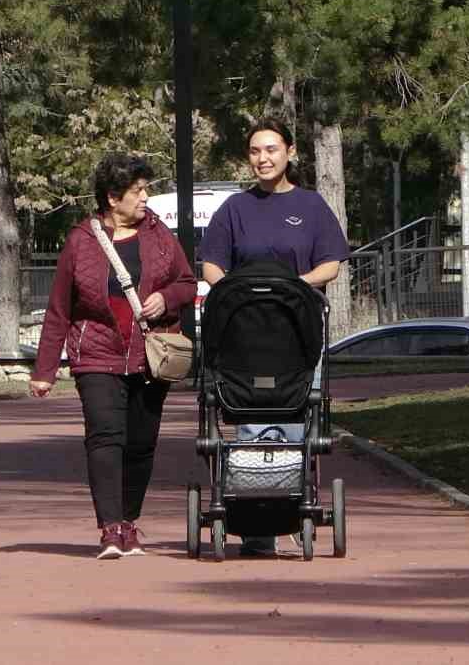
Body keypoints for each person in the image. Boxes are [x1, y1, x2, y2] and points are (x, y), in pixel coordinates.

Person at [29, 154, 198, 559]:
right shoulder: (80, 242)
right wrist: (45, 370)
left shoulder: (159, 235)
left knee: (141, 443)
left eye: (146, 188)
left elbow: (188, 283)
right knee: (105, 437)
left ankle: (129, 523)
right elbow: (59, 310)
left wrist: (166, 297)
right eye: (137, 190)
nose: (145, 197)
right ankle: (110, 529)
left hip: (149, 354)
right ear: (112, 197)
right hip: (96, 355)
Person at [198, 116, 349, 556]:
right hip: (247, 335)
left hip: (297, 329)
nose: (262, 158)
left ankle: (296, 503)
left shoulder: (312, 206)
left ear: (290, 152)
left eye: (271, 150)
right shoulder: (234, 210)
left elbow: (331, 265)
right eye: (255, 151)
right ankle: (257, 523)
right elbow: (211, 264)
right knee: (253, 417)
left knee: (297, 415)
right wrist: (230, 291)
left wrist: (295, 286)